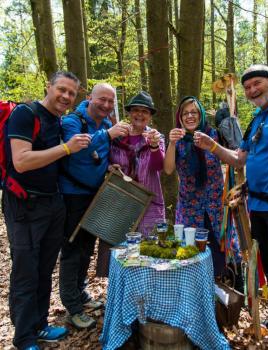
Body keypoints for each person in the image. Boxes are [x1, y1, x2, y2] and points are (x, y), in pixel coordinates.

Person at [194, 64, 268, 350]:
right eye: (247, 87)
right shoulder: (258, 119)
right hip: (257, 206)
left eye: (257, 84)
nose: (251, 91)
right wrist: (212, 146)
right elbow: (239, 159)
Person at [3, 71, 91, 350]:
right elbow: (22, 161)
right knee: (26, 270)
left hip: (52, 202)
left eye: (71, 93)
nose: (66, 96)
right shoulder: (25, 114)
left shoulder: (58, 120)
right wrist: (66, 148)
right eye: (61, 90)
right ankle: (24, 337)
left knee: (44, 268)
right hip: (24, 204)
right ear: (48, 87)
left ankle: (39, 325)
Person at [59, 83, 130, 330]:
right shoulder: (72, 121)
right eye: (102, 100)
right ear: (89, 98)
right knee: (71, 250)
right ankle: (73, 307)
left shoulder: (105, 125)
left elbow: (100, 154)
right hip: (72, 196)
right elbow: (76, 149)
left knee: (87, 247)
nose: (107, 105)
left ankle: (80, 295)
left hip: (96, 194)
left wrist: (108, 167)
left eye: (111, 102)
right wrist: (108, 136)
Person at [95, 91, 165, 277]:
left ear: (150, 115)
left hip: (149, 205)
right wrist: (109, 167)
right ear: (129, 113)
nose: (140, 115)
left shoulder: (156, 138)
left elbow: (159, 166)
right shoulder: (117, 136)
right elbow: (102, 160)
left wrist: (154, 147)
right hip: (120, 203)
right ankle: (123, 298)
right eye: (135, 110)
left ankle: (147, 297)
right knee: (121, 255)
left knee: (148, 255)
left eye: (144, 111)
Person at [164, 96, 226, 277]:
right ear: (180, 117)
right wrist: (172, 143)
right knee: (191, 252)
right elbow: (168, 169)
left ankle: (222, 290)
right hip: (189, 206)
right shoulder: (179, 139)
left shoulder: (213, 134)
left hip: (215, 205)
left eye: (194, 112)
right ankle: (195, 290)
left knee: (218, 249)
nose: (190, 116)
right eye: (185, 113)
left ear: (201, 115)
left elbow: (233, 158)